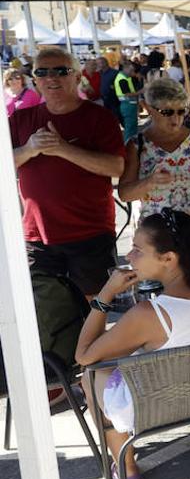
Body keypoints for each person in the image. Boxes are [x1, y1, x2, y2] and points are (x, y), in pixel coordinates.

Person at [75, 209, 190, 479]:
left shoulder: (149, 314)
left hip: (156, 408)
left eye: (137, 250)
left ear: (168, 259)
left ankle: (127, 468)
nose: (128, 257)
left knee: (89, 376)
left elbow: (84, 355)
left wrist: (105, 294)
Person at [10, 47, 125, 300]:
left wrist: (63, 149)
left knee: (93, 312)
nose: (52, 77)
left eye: (61, 70)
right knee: (51, 315)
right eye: (43, 71)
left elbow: (116, 168)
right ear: (35, 79)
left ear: (76, 76)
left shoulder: (100, 117)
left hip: (90, 234)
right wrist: (29, 149)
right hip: (37, 236)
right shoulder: (19, 119)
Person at [117, 78, 190, 243]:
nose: (176, 119)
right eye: (167, 112)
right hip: (156, 235)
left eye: (181, 111)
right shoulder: (137, 145)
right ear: (149, 109)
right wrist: (149, 182)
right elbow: (124, 194)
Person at [113, 61, 140, 140]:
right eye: (131, 70)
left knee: (133, 126)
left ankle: (133, 143)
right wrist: (141, 91)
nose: (132, 72)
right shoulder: (122, 79)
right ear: (125, 68)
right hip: (127, 104)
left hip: (130, 104)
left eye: (133, 70)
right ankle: (127, 145)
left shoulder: (127, 77)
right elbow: (127, 94)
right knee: (129, 127)